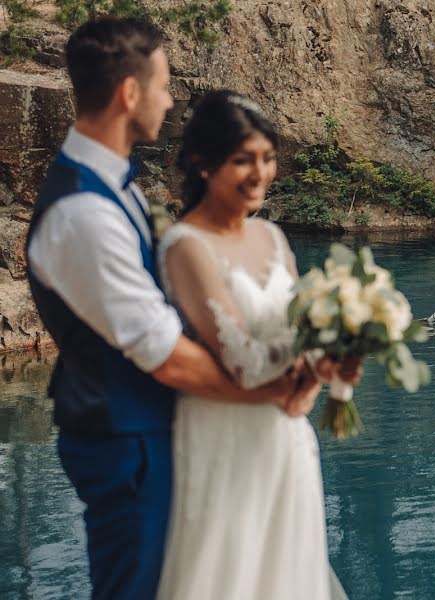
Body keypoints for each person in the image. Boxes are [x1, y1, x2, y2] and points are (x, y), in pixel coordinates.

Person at [26, 19, 321, 600]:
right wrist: (275, 393)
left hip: (154, 431)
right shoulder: (84, 214)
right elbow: (166, 355)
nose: (168, 99)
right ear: (129, 94)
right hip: (125, 438)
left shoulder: (116, 190)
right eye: (162, 85)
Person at [154, 90, 357, 599]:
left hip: (285, 438)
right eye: (242, 160)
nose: (259, 173)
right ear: (203, 163)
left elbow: (298, 335)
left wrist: (332, 363)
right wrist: (306, 370)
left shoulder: (273, 238)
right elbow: (243, 362)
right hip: (223, 437)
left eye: (267, 159)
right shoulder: (185, 246)